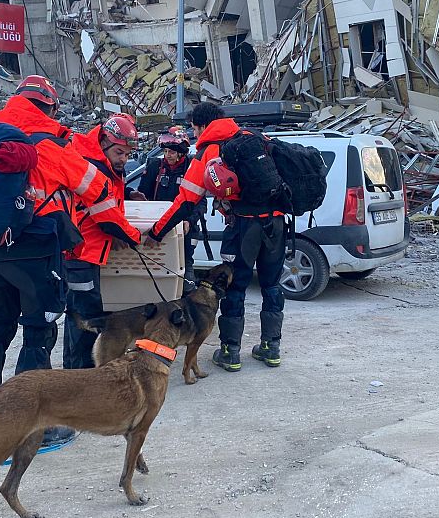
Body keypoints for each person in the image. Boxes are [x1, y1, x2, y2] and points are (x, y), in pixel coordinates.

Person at [0, 76, 108, 446]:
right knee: (37, 333)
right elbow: (95, 189)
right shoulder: (54, 142)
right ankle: (30, 427)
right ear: (50, 106)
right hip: (38, 253)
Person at [143, 102, 286, 372]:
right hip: (276, 222)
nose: (194, 135)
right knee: (271, 285)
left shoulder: (210, 148)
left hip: (244, 226)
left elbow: (187, 200)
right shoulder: (254, 137)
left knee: (235, 286)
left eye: (194, 129)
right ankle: (271, 347)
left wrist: (157, 232)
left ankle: (230, 352)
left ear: (200, 125)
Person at [63, 113, 143, 370]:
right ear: (105, 143)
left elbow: (107, 203)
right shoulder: (92, 166)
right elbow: (106, 215)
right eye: (120, 153)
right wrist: (135, 237)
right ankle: (81, 377)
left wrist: (128, 193)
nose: (124, 160)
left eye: (128, 155)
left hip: (87, 251)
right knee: (85, 320)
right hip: (80, 254)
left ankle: (77, 373)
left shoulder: (101, 163)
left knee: (79, 317)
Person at [138, 126, 206, 292]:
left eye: (172, 152)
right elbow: (142, 196)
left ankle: (185, 301)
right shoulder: (155, 167)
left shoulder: (192, 167)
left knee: (185, 266)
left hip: (184, 228)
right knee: (154, 267)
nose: (168, 156)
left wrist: (189, 221)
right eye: (166, 152)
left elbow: (200, 202)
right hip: (157, 227)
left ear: (181, 152)